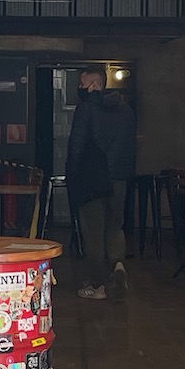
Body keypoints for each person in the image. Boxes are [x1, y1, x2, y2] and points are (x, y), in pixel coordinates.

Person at [67, 68, 137, 300]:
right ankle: (118, 265)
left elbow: (76, 145)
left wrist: (72, 176)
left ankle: (97, 285)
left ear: (94, 85)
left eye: (83, 83)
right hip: (118, 178)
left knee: (92, 232)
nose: (80, 88)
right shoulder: (126, 110)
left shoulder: (86, 109)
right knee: (114, 226)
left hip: (91, 177)